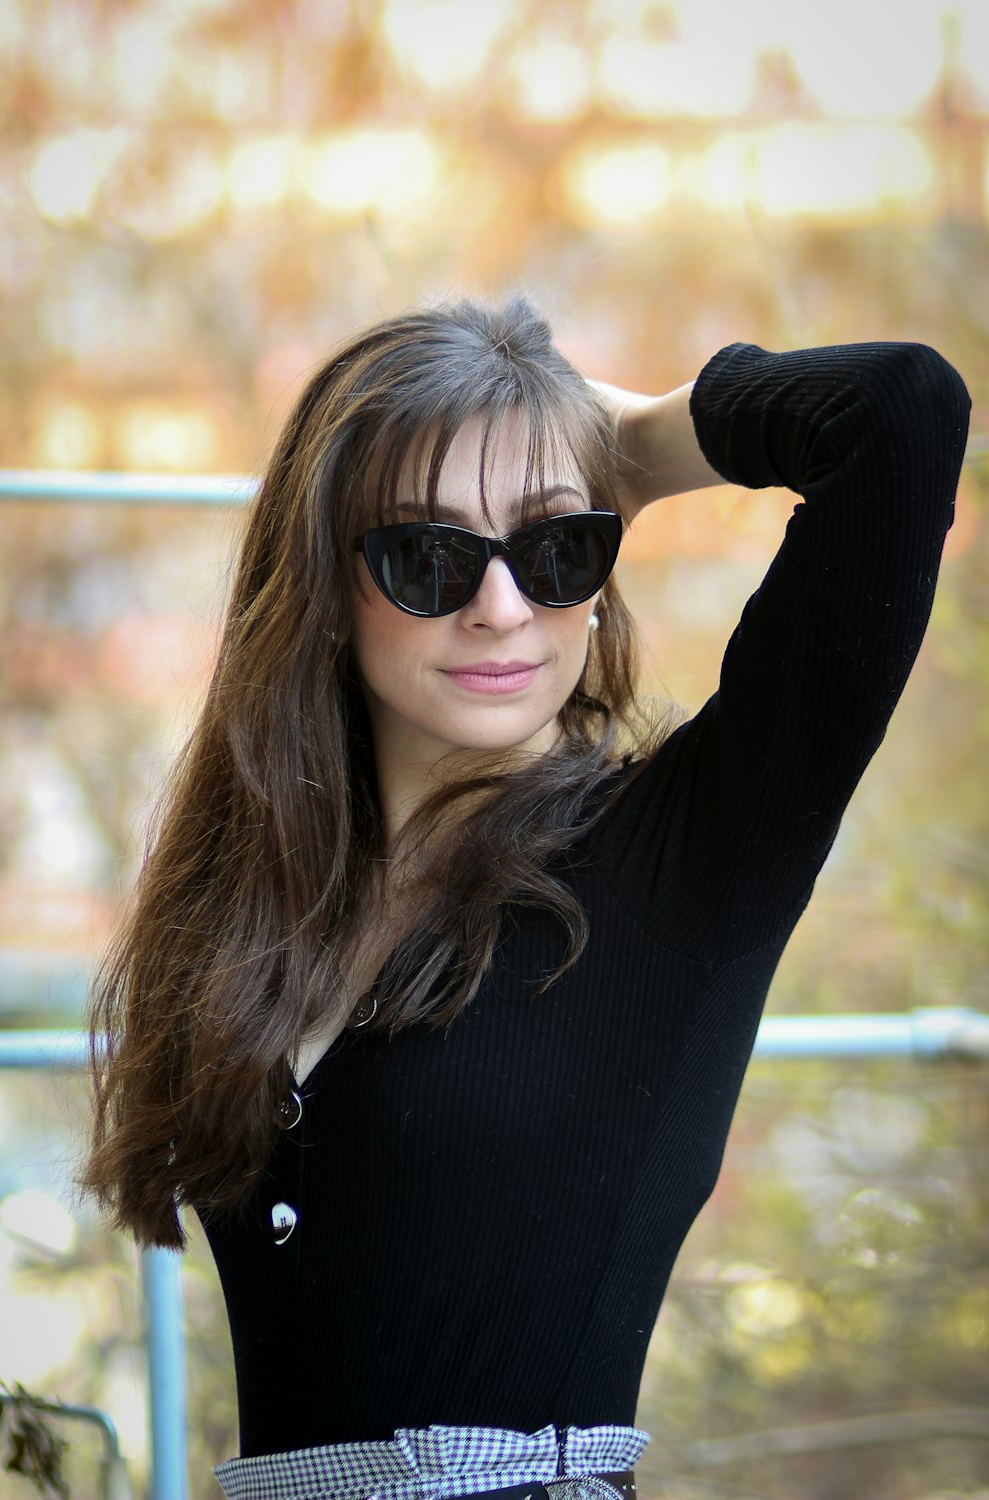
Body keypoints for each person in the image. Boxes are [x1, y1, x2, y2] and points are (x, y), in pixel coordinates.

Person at [83, 297, 970, 1500]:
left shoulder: (686, 853)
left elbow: (900, 413)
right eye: (429, 558)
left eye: (559, 547)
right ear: (325, 586)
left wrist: (635, 446)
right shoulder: (266, 896)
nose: (501, 608)